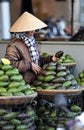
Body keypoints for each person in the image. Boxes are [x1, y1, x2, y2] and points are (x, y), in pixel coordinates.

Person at [5, 11, 59, 84]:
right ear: (22, 31)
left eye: (34, 29)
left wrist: (51, 58)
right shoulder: (14, 45)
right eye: (30, 30)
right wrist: (29, 65)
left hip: (35, 81)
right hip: (22, 84)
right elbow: (10, 64)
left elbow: (38, 60)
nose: (33, 32)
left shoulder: (32, 42)